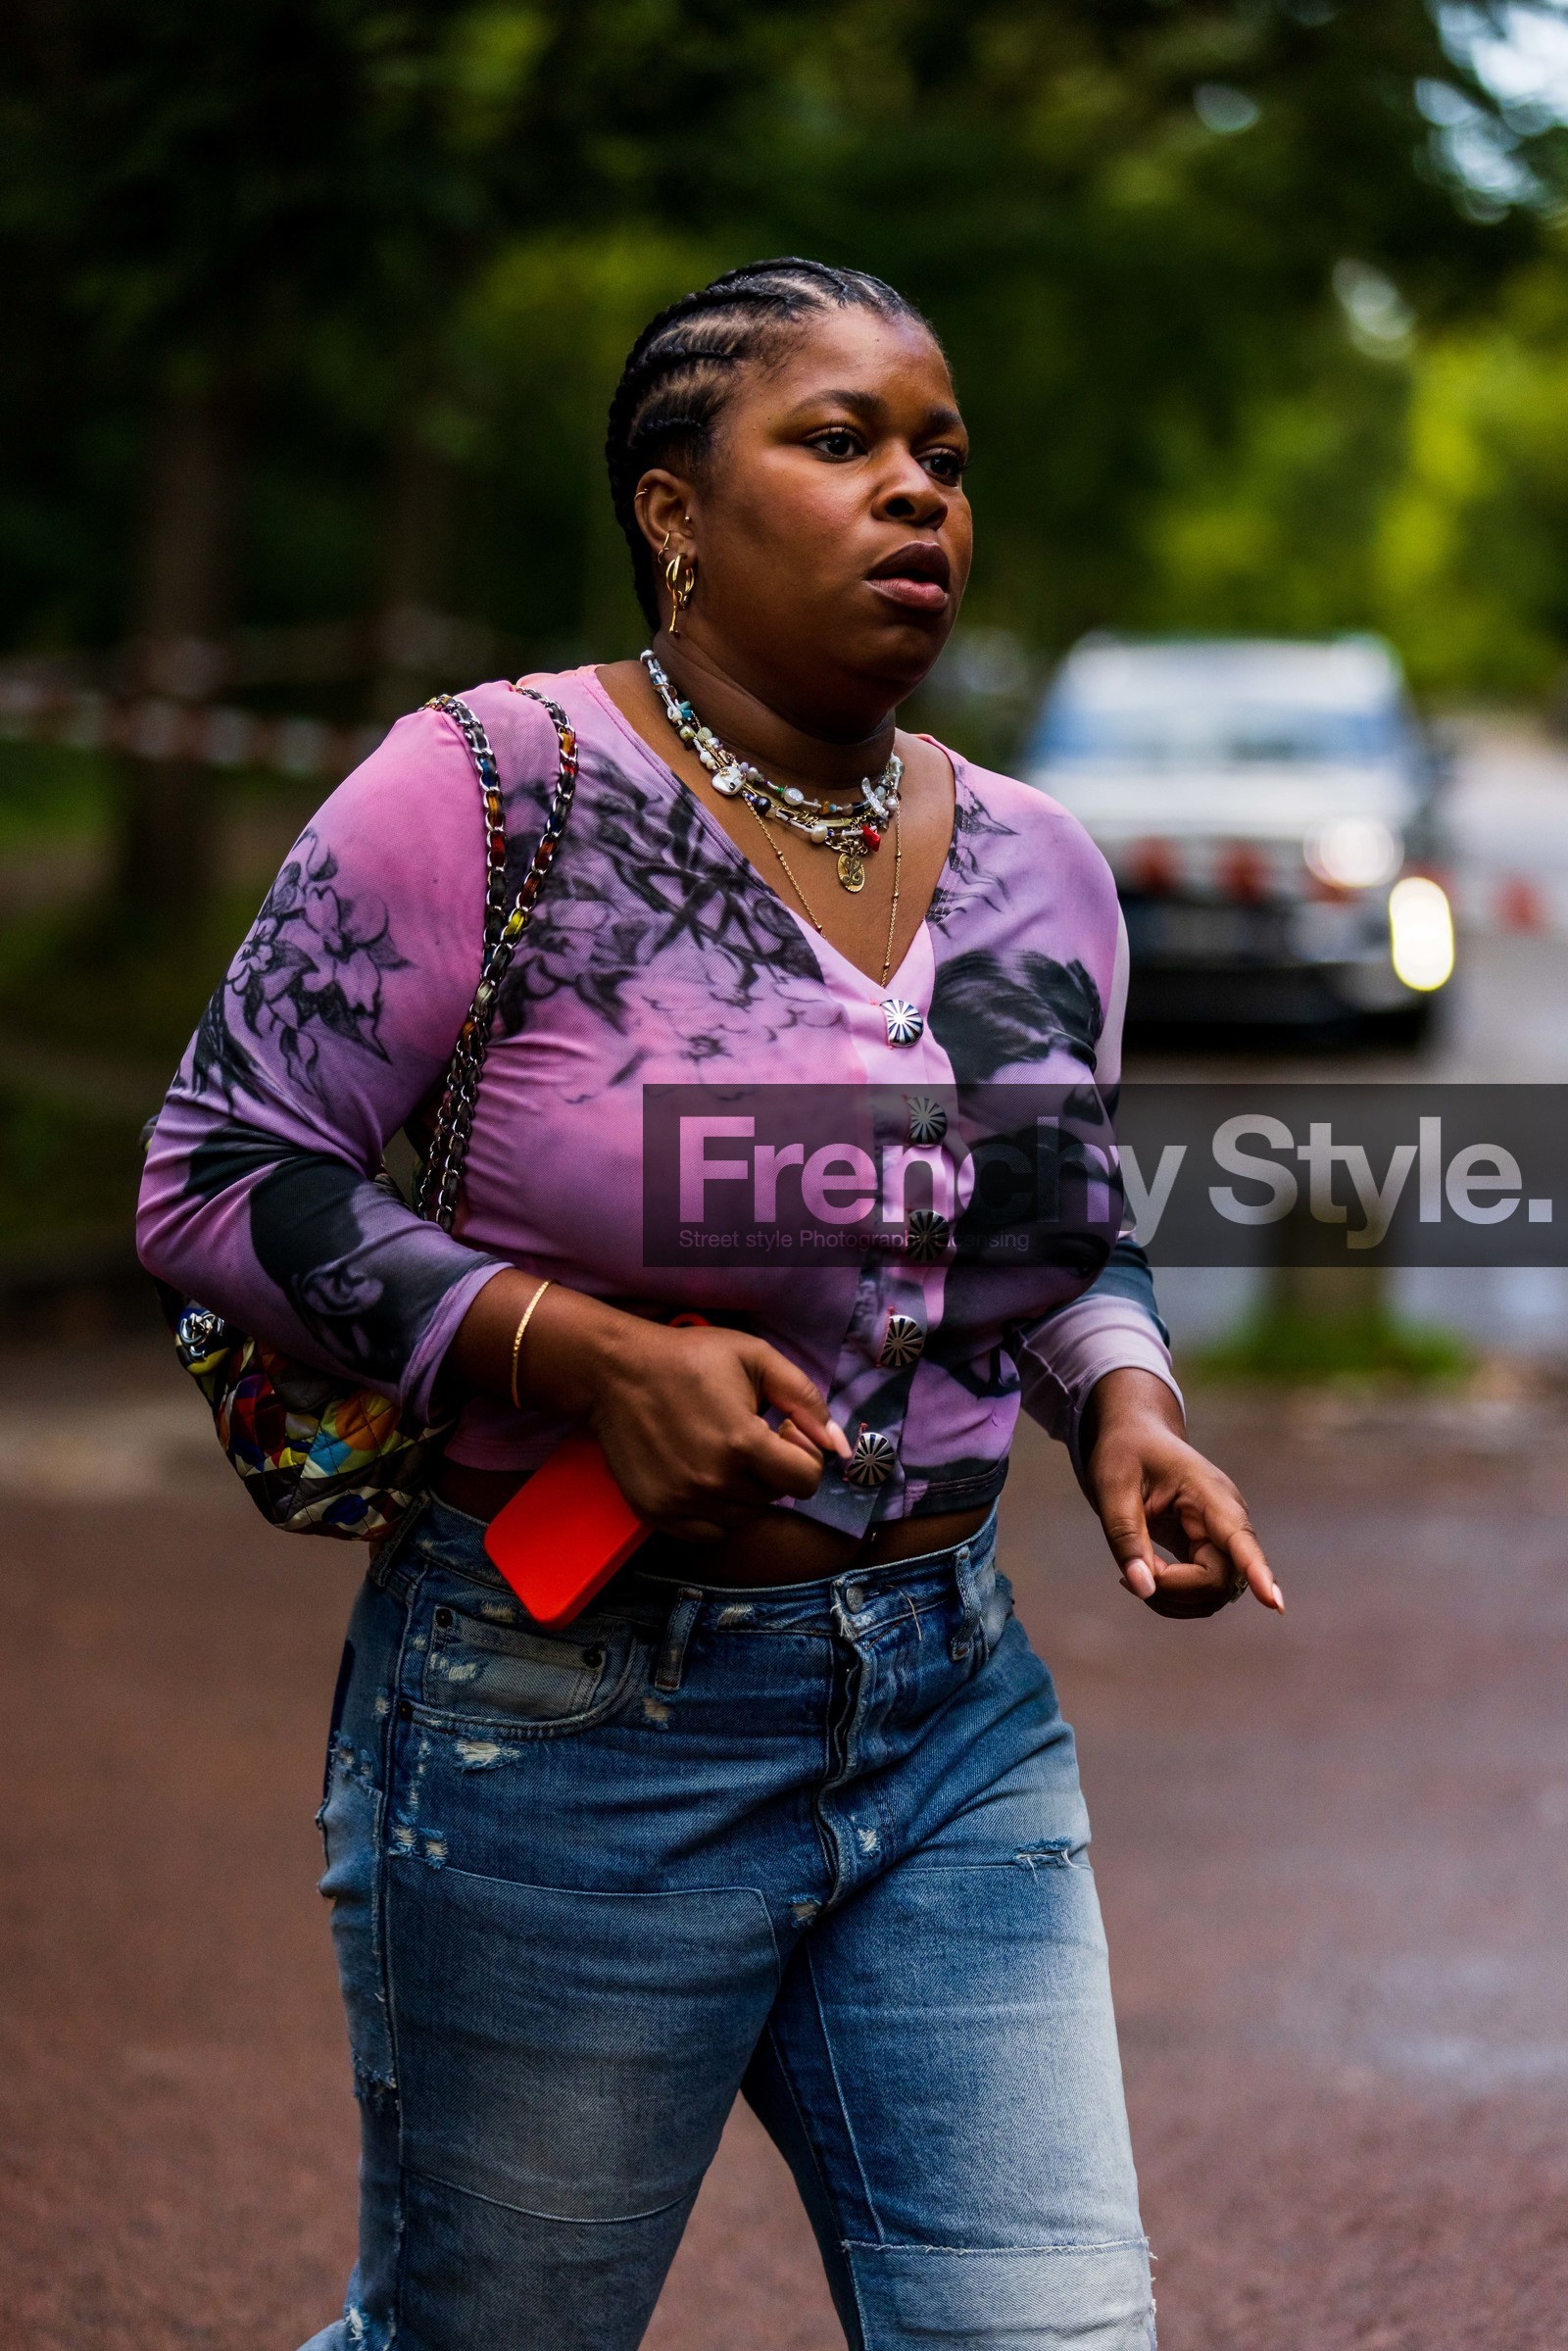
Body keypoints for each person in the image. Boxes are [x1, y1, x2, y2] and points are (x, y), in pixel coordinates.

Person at [137, 258, 1280, 2351]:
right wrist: (577, 1350)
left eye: (940, 454)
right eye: (838, 442)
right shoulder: (487, 789)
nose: (914, 494)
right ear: (672, 506)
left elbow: (1047, 1227)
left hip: (949, 1708)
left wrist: (1118, 1395)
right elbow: (214, 1173)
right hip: (567, 1705)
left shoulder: (1039, 865)